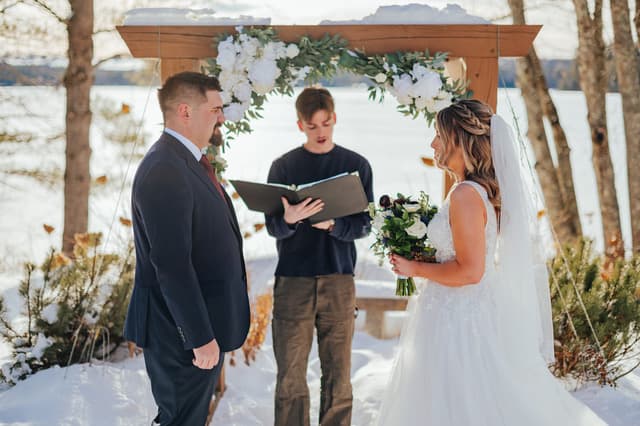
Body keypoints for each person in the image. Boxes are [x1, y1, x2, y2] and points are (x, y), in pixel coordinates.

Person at [377, 99, 605, 425]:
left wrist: (415, 269)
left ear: (459, 139)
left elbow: (471, 271)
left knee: (462, 400)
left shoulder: (466, 195)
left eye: (439, 135)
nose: (432, 143)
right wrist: (425, 257)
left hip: (458, 319)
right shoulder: (471, 190)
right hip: (452, 310)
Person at [123, 71, 250, 426]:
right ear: (185, 111)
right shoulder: (165, 168)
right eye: (215, 109)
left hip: (198, 325)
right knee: (180, 420)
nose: (221, 117)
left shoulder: (186, 161)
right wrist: (199, 337)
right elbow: (172, 266)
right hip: (178, 331)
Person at [265, 87, 374, 426]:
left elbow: (364, 224)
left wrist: (332, 225)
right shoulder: (282, 167)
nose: (321, 132)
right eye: (312, 127)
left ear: (335, 118)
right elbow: (273, 228)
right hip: (293, 281)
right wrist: (290, 220)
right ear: (300, 126)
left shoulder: (356, 166)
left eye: (326, 123)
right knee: (290, 376)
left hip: (339, 279)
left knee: (338, 376)